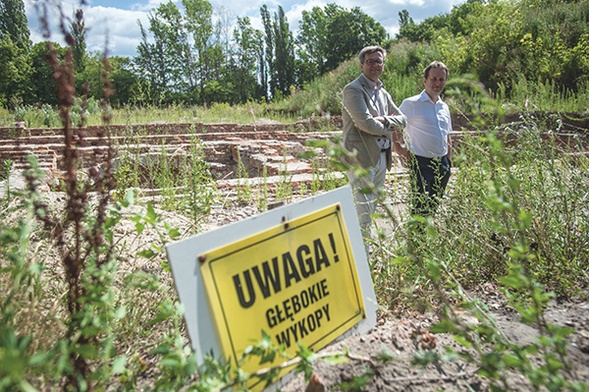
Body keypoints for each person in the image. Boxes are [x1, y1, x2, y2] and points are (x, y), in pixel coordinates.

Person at [342, 45, 406, 241]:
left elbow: (403, 119)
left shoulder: (383, 92)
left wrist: (385, 120)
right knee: (362, 213)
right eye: (370, 61)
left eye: (379, 61)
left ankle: (364, 254)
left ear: (383, 65)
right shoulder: (353, 90)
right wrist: (390, 126)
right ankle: (362, 262)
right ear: (361, 65)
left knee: (370, 210)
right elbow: (366, 124)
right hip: (361, 159)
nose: (375, 65)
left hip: (381, 158)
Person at [394, 61, 453, 217]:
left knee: (434, 205)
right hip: (420, 163)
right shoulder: (411, 104)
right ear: (425, 80)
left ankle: (426, 238)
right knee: (419, 206)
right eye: (433, 79)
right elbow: (394, 125)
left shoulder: (444, 107)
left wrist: (449, 161)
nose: (437, 83)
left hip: (442, 163)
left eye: (441, 79)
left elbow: (447, 134)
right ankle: (416, 239)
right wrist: (398, 148)